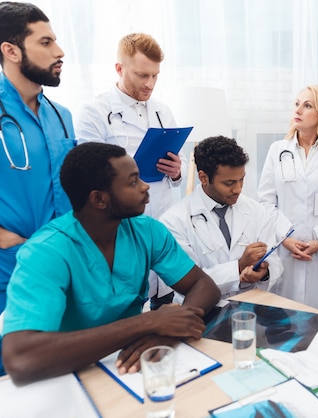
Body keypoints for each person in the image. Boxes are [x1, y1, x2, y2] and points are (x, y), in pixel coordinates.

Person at [0, 142, 221, 386]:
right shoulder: (46, 252)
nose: (146, 187)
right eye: (133, 182)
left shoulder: (147, 231)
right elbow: (20, 360)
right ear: (99, 199)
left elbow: (204, 285)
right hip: (68, 373)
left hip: (129, 367)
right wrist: (147, 322)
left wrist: (170, 331)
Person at [0, 2, 75, 385]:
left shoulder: (61, 114)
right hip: (4, 271)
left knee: (57, 375)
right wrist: (0, 238)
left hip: (60, 269)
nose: (59, 52)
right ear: (11, 51)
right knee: (1, 379)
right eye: (45, 42)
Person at [75, 33, 186, 310]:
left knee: (165, 302)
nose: (149, 84)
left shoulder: (162, 111)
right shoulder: (94, 112)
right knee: (129, 310)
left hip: (161, 221)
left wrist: (176, 172)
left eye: (155, 76)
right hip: (121, 226)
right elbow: (88, 177)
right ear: (119, 69)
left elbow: (176, 172)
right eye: (141, 75)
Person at [258, 85, 318, 313]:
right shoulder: (278, 150)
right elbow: (266, 202)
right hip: (284, 248)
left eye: (307, 105)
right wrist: (286, 239)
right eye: (297, 104)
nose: (298, 110)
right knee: (282, 317)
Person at [160, 136, 282, 298]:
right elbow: (187, 282)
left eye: (241, 180)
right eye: (229, 183)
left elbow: (274, 260)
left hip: (252, 308)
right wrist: (238, 267)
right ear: (203, 178)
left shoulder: (257, 211)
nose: (238, 189)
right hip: (202, 312)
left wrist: (264, 272)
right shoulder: (174, 221)